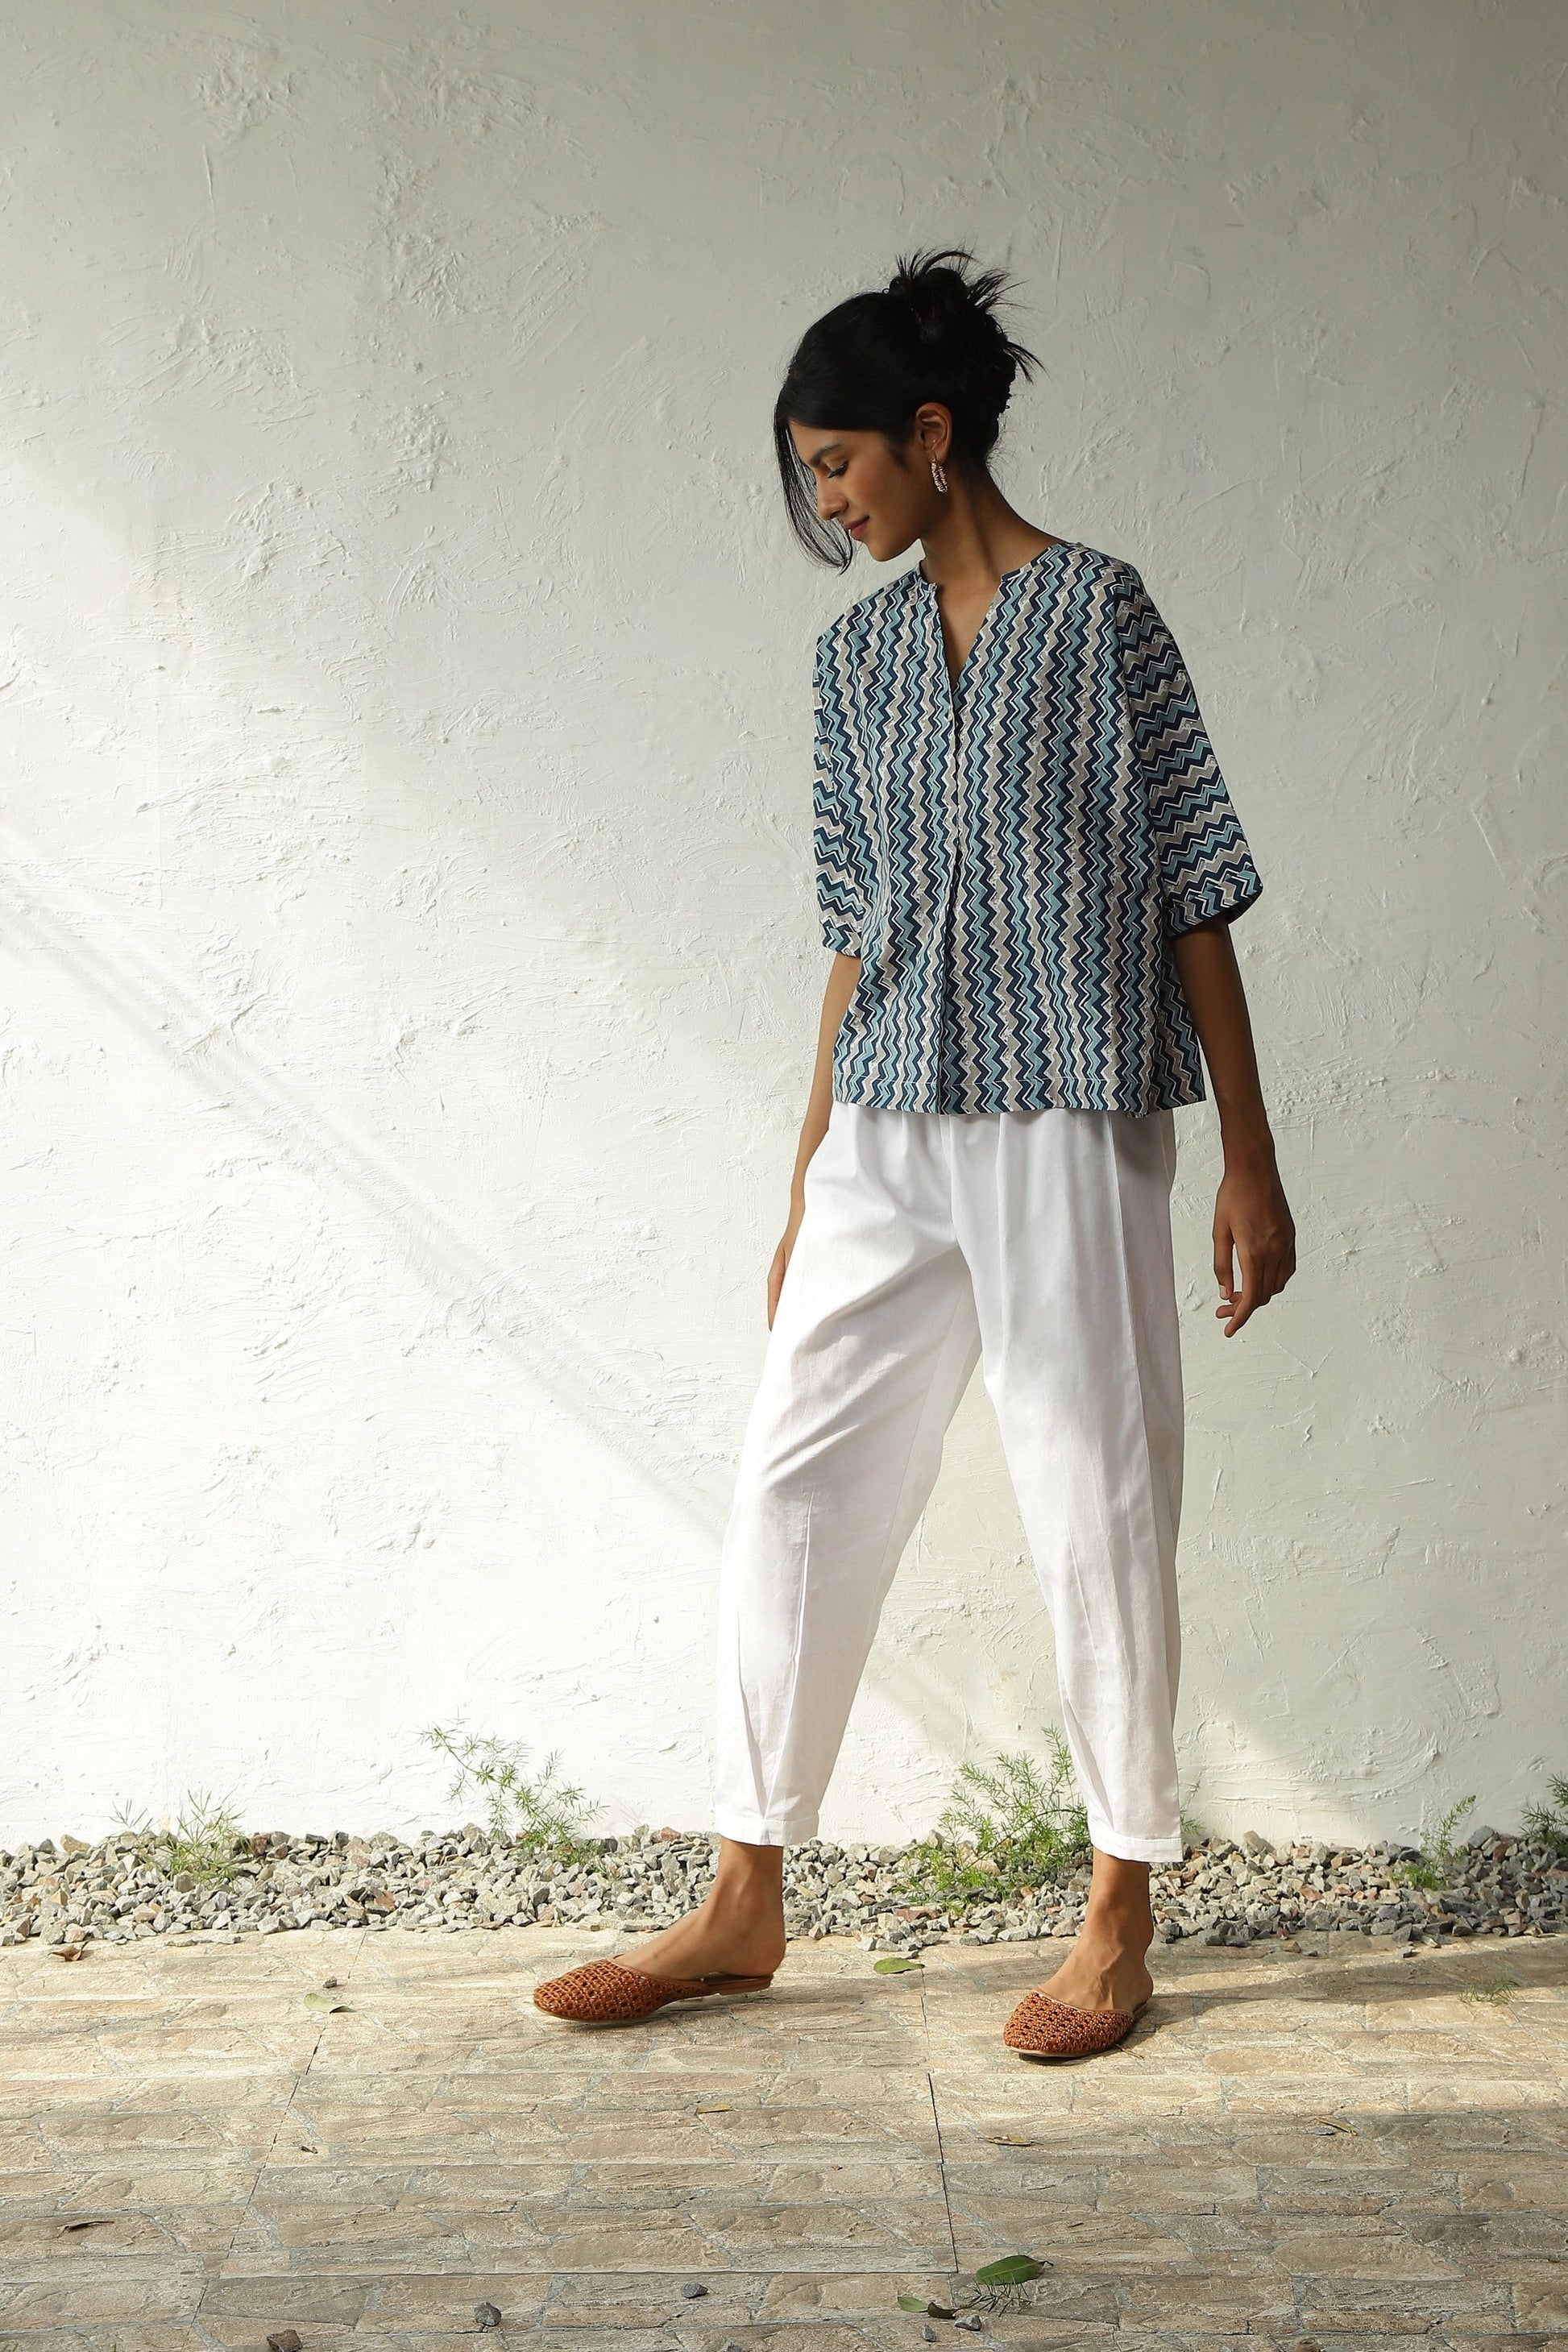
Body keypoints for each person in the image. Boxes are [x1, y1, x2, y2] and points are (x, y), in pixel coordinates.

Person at [537, 245, 1296, 2055]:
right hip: (890, 1112)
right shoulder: (854, 657)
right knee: (796, 1470)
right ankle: (742, 1894)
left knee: (1091, 1496)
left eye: (839, 463)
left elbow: (1195, 885)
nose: (826, 499)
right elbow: (851, 920)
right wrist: (809, 1162)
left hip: (1066, 1102)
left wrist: (1249, 1159)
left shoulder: (1102, 614)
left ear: (932, 436)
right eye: (810, 470)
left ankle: (1116, 1910)